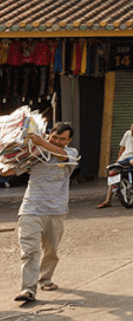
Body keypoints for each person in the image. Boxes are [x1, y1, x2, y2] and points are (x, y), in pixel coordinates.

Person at [2, 121, 76, 304]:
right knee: (30, 251)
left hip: (56, 211)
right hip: (31, 209)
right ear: (49, 134)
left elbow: (61, 154)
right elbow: (12, 169)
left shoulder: (70, 153)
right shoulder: (35, 154)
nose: (58, 141)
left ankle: (46, 279)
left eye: (62, 139)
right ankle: (28, 289)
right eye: (55, 137)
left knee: (51, 250)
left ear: (69, 140)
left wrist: (42, 143)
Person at [96, 119, 133, 209]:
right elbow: (122, 148)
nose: (131, 129)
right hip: (124, 157)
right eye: (131, 127)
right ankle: (107, 200)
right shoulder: (127, 134)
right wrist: (118, 160)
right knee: (113, 175)